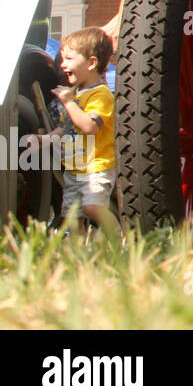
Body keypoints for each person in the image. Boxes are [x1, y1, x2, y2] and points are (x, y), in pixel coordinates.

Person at [46, 27, 119, 237]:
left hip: (96, 167)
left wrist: (69, 103)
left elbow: (89, 126)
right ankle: (77, 258)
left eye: (68, 58)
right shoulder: (77, 94)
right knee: (72, 217)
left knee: (92, 207)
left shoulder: (101, 94)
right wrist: (43, 140)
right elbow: (67, 127)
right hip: (75, 168)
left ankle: (118, 240)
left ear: (91, 63)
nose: (62, 64)